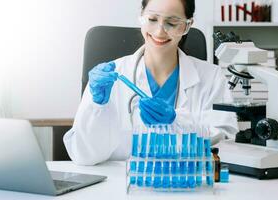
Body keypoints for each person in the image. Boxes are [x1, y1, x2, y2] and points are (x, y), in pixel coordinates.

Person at [63, 0, 238, 165]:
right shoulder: (113, 74)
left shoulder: (211, 77)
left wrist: (177, 122)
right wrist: (97, 107)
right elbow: (83, 156)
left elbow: (225, 143)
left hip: (186, 187)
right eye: (152, 19)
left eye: (172, 23)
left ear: (187, 26)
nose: (160, 31)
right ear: (141, 16)